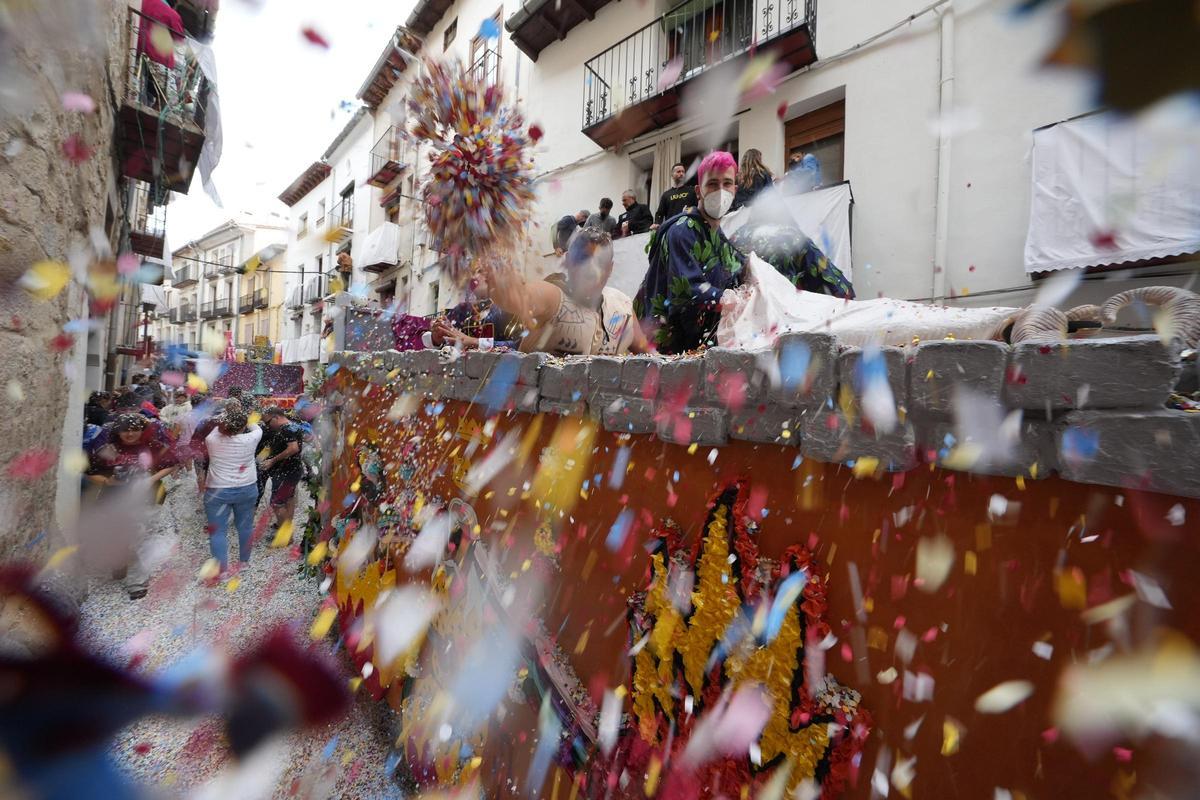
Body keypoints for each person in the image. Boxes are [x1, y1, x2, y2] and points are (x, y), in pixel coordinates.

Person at [634, 150, 745, 354]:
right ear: (698, 190)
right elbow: (686, 290)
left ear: (735, 190)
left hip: (691, 350)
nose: (721, 191)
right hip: (660, 348)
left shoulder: (719, 239)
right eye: (712, 184)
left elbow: (739, 270)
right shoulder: (682, 231)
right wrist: (724, 298)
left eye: (727, 183)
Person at [485, 228, 649, 357]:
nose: (591, 270)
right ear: (569, 260)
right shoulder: (553, 297)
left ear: (610, 268)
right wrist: (499, 277)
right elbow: (517, 298)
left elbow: (650, 357)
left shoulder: (621, 307)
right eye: (583, 259)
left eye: (600, 262)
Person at [85, 413, 179, 599]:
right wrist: (108, 481)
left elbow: (171, 464)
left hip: (146, 500)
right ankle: (119, 563)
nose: (129, 434)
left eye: (134, 429)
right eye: (125, 430)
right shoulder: (108, 449)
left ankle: (137, 581)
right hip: (113, 500)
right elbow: (91, 472)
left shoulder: (152, 446)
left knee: (139, 540)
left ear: (142, 430)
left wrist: (150, 479)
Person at [197, 406, 262, 573]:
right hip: (246, 488)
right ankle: (244, 563)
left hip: (217, 490)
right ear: (243, 425)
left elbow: (215, 427)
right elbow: (256, 426)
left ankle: (223, 571)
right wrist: (245, 417)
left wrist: (225, 417)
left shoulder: (212, 440)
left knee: (217, 532)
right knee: (245, 527)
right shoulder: (252, 438)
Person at [430, 264, 524, 350]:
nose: (473, 277)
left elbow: (520, 345)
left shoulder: (509, 307)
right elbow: (446, 351)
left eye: (480, 271)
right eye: (471, 272)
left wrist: (474, 342)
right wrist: (438, 340)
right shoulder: (460, 311)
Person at [256, 407, 305, 535]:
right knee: (288, 500)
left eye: (268, 422)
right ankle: (285, 527)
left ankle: (285, 536)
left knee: (277, 503)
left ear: (276, 417)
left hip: (286, 471)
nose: (267, 426)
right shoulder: (292, 426)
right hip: (291, 470)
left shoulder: (287, 429)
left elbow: (293, 448)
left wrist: (272, 461)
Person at [653, 163, 697, 227]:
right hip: (671, 228)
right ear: (672, 175)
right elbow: (659, 213)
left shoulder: (692, 190)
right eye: (678, 172)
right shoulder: (666, 195)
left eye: (683, 172)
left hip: (689, 227)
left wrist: (691, 210)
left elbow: (698, 208)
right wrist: (657, 223)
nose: (681, 174)